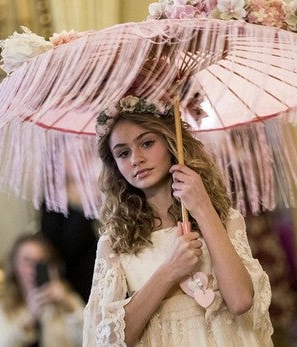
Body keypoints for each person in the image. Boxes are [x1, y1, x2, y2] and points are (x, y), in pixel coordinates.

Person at [83, 96, 273, 346]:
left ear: (171, 142)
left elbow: (240, 301)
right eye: (123, 153)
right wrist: (171, 270)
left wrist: (203, 207)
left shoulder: (225, 219)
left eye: (147, 143)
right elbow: (109, 339)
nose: (135, 159)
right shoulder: (115, 240)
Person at [0, 232, 84, 347]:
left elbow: (94, 338)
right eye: (27, 261)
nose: (33, 268)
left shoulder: (67, 299)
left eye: (40, 262)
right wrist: (30, 319)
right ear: (15, 266)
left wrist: (68, 302)